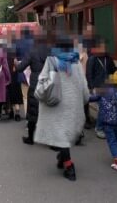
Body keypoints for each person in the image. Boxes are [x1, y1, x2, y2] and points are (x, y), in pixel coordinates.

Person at [34, 35, 89, 181]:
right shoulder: (76, 62)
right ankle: (62, 158)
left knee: (61, 135)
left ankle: (69, 166)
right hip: (71, 106)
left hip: (56, 105)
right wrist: (84, 99)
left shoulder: (52, 60)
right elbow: (83, 85)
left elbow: (43, 81)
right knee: (63, 135)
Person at [89, 71, 117, 171]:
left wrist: (82, 97)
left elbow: (92, 98)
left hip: (107, 122)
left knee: (112, 142)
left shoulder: (102, 91)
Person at [17, 31, 49, 144]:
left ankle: (31, 138)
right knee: (49, 111)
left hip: (36, 83)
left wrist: (16, 64)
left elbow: (20, 68)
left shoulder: (32, 51)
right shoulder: (52, 52)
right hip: (49, 84)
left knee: (33, 112)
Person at [86, 40, 116, 139]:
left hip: (108, 87)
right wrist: (90, 87)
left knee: (106, 107)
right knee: (103, 107)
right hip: (97, 87)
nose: (104, 49)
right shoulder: (92, 59)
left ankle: (104, 127)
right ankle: (99, 128)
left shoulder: (108, 59)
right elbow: (89, 74)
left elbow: (113, 70)